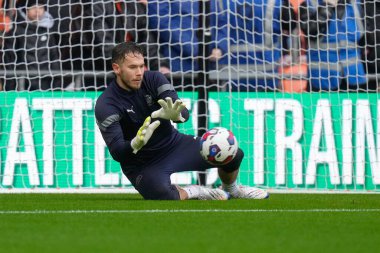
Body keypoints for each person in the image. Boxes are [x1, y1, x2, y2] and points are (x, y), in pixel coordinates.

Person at [95, 42, 269, 200]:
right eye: (132, 67)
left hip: (173, 144)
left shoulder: (154, 79)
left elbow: (183, 113)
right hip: (142, 163)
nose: (139, 72)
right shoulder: (106, 104)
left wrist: (176, 116)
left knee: (233, 154)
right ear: (117, 68)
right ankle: (197, 191)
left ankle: (232, 189)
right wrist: (135, 143)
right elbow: (118, 152)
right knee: (162, 194)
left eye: (141, 66)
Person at [71, 0, 169, 90]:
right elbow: (103, 44)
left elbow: (148, 43)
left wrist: (160, 65)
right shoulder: (93, 5)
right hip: (100, 77)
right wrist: (130, 66)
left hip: (131, 76)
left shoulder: (135, 7)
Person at [209, 0, 296, 91]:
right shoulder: (276, 2)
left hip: (228, 76)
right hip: (265, 76)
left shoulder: (219, 2)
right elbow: (290, 26)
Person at [299, 0, 367, 91]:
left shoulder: (356, 3)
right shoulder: (308, 4)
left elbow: (366, 35)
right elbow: (310, 31)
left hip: (354, 77)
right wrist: (327, 7)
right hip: (322, 79)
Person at [2, 0, 62, 91]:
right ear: (26, 10)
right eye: (34, 7)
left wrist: (57, 85)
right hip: (22, 86)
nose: (37, 11)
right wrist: (11, 88)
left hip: (46, 85)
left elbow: (54, 59)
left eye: (41, 7)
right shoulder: (15, 32)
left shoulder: (49, 32)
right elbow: (9, 62)